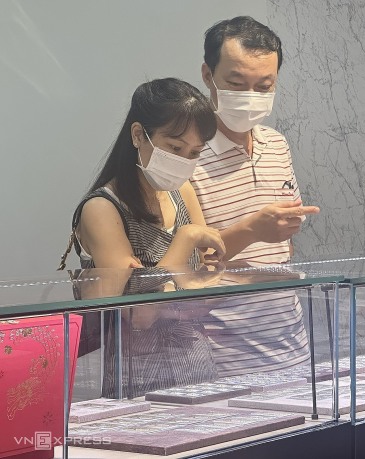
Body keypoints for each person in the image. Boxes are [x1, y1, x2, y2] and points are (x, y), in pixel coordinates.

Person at [66, 78, 226, 397]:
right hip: (138, 379)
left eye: (194, 153)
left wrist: (205, 278)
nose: (184, 161)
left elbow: (204, 290)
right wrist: (183, 243)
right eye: (175, 148)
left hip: (198, 366)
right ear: (138, 135)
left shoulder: (183, 191)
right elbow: (138, 316)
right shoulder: (102, 208)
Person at [191, 17, 320, 377]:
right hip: (221, 359)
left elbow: (283, 247)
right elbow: (182, 269)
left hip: (291, 350)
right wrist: (252, 230)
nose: (250, 97)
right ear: (207, 74)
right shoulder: (186, 157)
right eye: (236, 83)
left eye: (264, 86)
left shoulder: (276, 144)